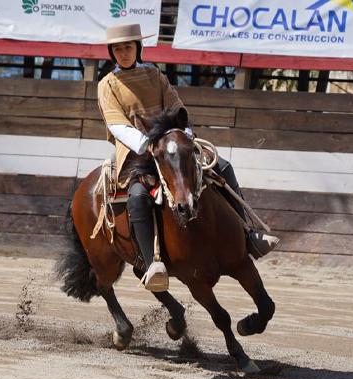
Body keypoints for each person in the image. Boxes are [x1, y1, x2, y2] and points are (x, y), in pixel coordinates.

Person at [96, 23, 279, 292]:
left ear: (138, 48)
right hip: (137, 151)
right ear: (112, 52)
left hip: (173, 144)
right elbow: (116, 124)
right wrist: (147, 144)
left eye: (128, 47)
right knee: (137, 196)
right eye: (118, 48)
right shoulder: (107, 85)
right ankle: (152, 264)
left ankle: (248, 234)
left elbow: (176, 106)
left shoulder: (155, 75)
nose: (124, 52)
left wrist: (185, 135)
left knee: (223, 167)